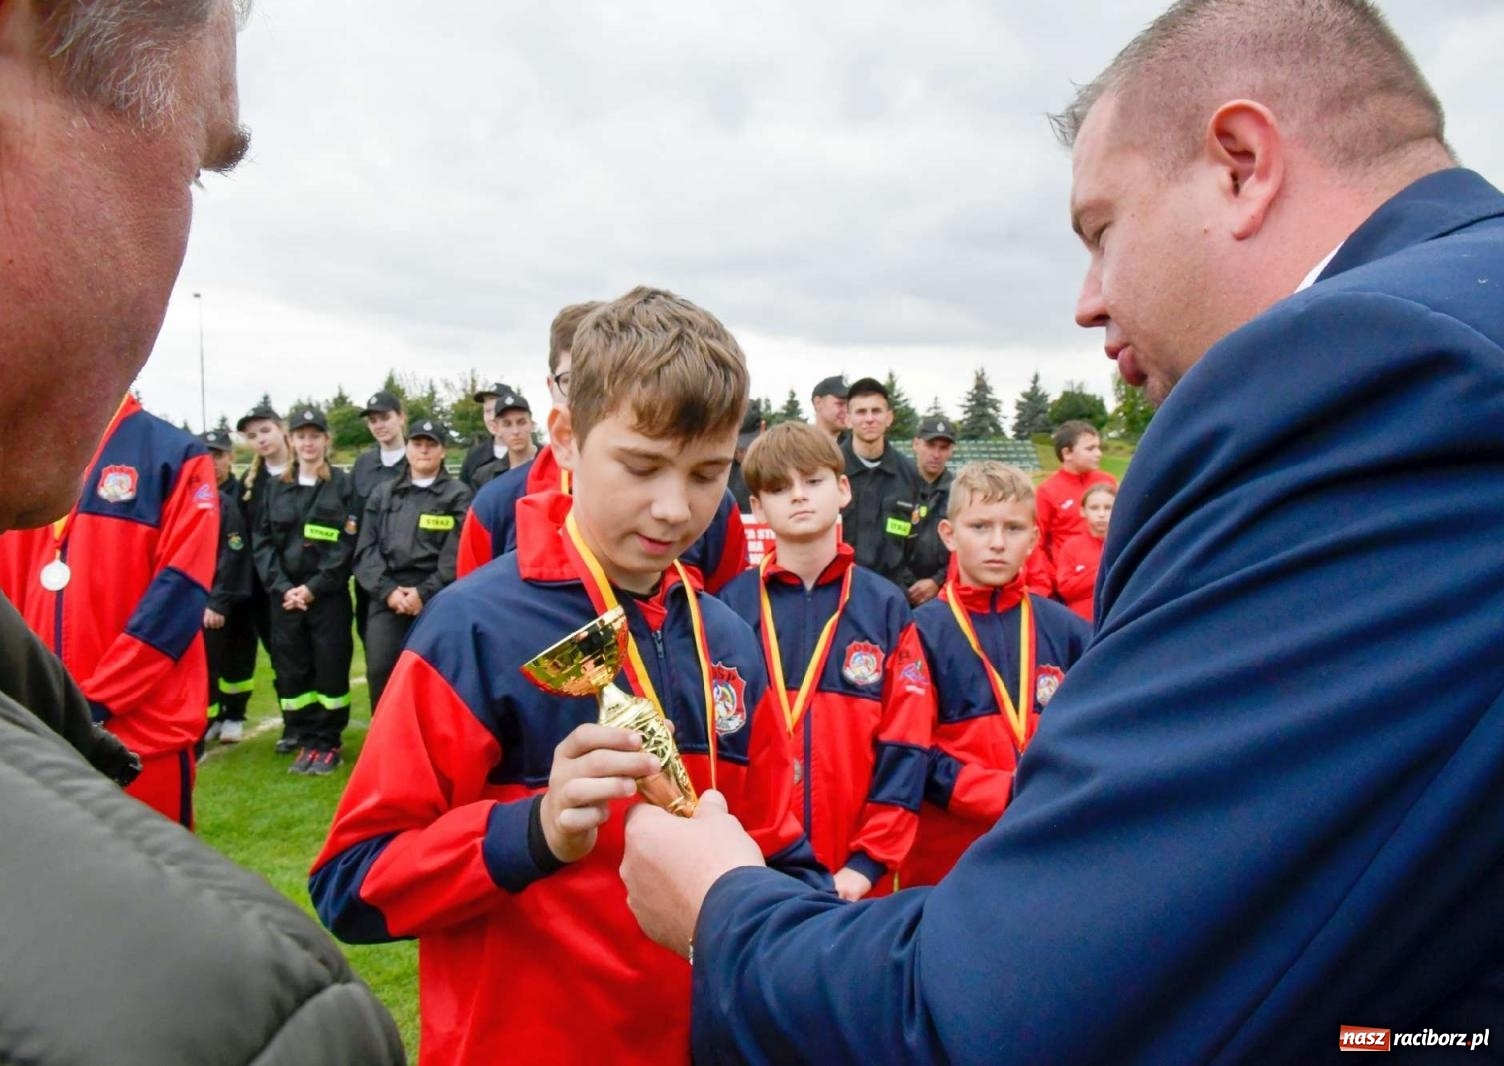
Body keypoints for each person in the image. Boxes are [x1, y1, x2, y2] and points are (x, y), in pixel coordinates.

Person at [619, 1, 1504, 1060]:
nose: (1087, 302)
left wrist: (726, 910)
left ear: (1239, 162)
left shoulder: (1361, 366)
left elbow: (1010, 1012)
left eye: (1101, 232)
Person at [0, 1, 402, 1060]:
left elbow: (184, 581)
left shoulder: (172, 453)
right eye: (191, 169)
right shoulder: (224, 1016)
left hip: (134, 716)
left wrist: (94, 698)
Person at [310, 286, 825, 1065]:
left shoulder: (727, 635)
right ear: (565, 438)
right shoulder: (473, 628)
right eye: (642, 465)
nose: (673, 509)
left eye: (707, 473)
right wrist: (535, 830)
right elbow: (352, 885)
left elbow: (781, 847)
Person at [0, 393, 220, 827]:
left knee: (151, 879)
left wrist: (96, 699)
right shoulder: (10, 455)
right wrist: (25, 691)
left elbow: (180, 593)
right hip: (34, 724)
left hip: (142, 732)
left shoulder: (173, 454)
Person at [718, 422, 932, 899]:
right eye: (778, 488)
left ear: (842, 490)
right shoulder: (730, 609)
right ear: (757, 507)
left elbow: (907, 741)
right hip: (754, 866)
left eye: (812, 482)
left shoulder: (884, 606)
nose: (798, 497)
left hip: (859, 875)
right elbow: (719, 747)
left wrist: (868, 861)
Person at [457, 300, 749, 592]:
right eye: (572, 381)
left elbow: (732, 603)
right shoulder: (496, 504)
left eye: (705, 475)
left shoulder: (714, 507)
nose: (673, 511)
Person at [899, 462, 1089, 888]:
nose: (998, 543)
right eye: (980, 527)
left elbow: (1096, 735)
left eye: (1014, 528)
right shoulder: (919, 632)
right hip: (948, 861)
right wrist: (1001, 793)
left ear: (1035, 539)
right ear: (949, 535)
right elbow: (911, 754)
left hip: (1049, 846)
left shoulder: (1070, 632)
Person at [252, 409, 355, 776]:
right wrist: (284, 588)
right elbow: (262, 542)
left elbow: (346, 543)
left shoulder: (343, 486)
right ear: (291, 440)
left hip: (326, 599)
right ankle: (305, 736)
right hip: (285, 599)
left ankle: (328, 742)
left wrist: (312, 589)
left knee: (329, 671)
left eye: (315, 436)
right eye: (301, 436)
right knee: (293, 671)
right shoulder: (276, 487)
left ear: (327, 440)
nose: (308, 443)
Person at [352, 417, 471, 710]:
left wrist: (424, 593)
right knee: (380, 669)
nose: (424, 450)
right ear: (407, 448)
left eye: (432, 444)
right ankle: (386, 746)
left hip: (438, 598)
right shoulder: (383, 493)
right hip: (387, 596)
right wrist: (389, 591)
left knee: (436, 675)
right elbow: (365, 549)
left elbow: (456, 554)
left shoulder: (458, 495)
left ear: (443, 451)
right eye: (417, 443)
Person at [234, 402, 290, 742]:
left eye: (265, 430)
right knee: (278, 655)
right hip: (261, 586)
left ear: (281, 428)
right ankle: (292, 719)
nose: (261, 440)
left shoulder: (306, 474)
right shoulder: (248, 483)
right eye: (253, 436)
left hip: (299, 582)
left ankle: (311, 726)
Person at [839, 376, 923, 594]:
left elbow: (916, 539)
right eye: (861, 412)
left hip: (891, 593)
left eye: (876, 411)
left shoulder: (909, 474)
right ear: (848, 419)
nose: (869, 419)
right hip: (839, 590)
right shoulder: (830, 470)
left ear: (889, 418)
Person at [200, 428, 255, 743]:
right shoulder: (194, 494)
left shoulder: (242, 492)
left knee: (237, 658)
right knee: (208, 660)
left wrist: (221, 599)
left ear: (230, 457)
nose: (213, 462)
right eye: (206, 455)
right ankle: (213, 716)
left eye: (218, 455)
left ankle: (234, 714)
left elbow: (234, 552)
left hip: (240, 593)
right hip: (205, 595)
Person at [348, 390, 409, 649]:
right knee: (374, 648)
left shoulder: (418, 459)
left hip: (410, 575)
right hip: (371, 577)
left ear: (401, 417)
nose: (379, 425)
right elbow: (353, 520)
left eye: (385, 417)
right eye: (373, 420)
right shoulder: (363, 465)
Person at [1035, 418, 1116, 578]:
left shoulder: (1107, 482)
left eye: (1098, 448)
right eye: (1090, 449)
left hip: (1108, 573)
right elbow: (1037, 543)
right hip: (1070, 581)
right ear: (1067, 453)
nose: (1098, 454)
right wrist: (1054, 577)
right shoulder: (1047, 491)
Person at [902, 414, 956, 607]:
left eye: (943, 448)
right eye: (930, 445)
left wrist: (937, 581)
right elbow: (885, 541)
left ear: (952, 451)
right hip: (899, 589)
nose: (936, 454)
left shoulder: (960, 493)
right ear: (916, 444)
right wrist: (907, 583)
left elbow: (966, 545)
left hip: (945, 592)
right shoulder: (896, 487)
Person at [1054, 482, 1115, 622]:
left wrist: (1082, 578)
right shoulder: (1072, 546)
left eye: (1108, 508)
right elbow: (1065, 589)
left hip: (1114, 620)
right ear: (1083, 511)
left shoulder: (1124, 544)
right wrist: (1103, 569)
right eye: (1094, 508)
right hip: (1081, 623)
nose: (1101, 514)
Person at [470, 389, 537, 487]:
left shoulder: (554, 463)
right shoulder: (485, 476)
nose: (515, 431)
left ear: (532, 425)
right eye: (507, 424)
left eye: (521, 422)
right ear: (496, 429)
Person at [458, 381, 510, 489]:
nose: (491, 417)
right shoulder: (474, 456)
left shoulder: (535, 453)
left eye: (497, 410)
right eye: (488, 411)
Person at [808, 375, 849, 441]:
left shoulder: (856, 447)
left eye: (848, 405)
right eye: (840, 404)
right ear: (818, 403)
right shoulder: (799, 445)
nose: (846, 410)